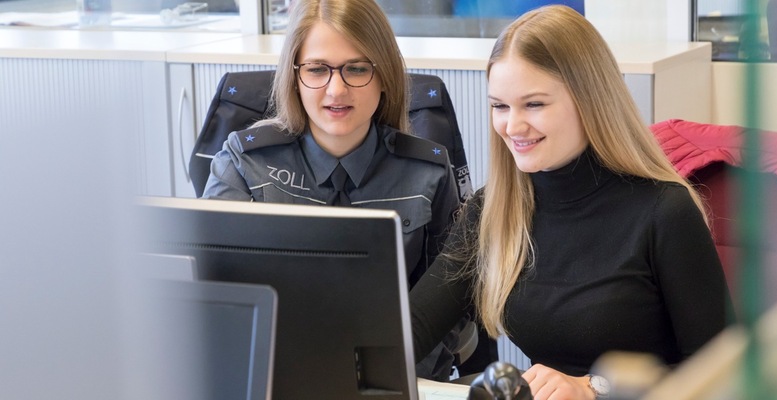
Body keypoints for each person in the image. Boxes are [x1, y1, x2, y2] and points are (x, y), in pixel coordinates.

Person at [409, 5, 732, 398]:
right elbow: (413, 327)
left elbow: (720, 373)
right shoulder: (493, 211)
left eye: (534, 104)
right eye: (500, 106)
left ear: (590, 100)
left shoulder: (665, 211)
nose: (512, 127)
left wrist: (594, 387)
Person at [202, 0, 464, 381]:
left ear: (384, 76)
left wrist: (388, 379)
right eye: (317, 69)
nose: (336, 89)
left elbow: (448, 308)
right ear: (295, 76)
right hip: (273, 375)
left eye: (357, 68)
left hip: (394, 379)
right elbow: (219, 302)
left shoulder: (428, 171)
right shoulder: (244, 163)